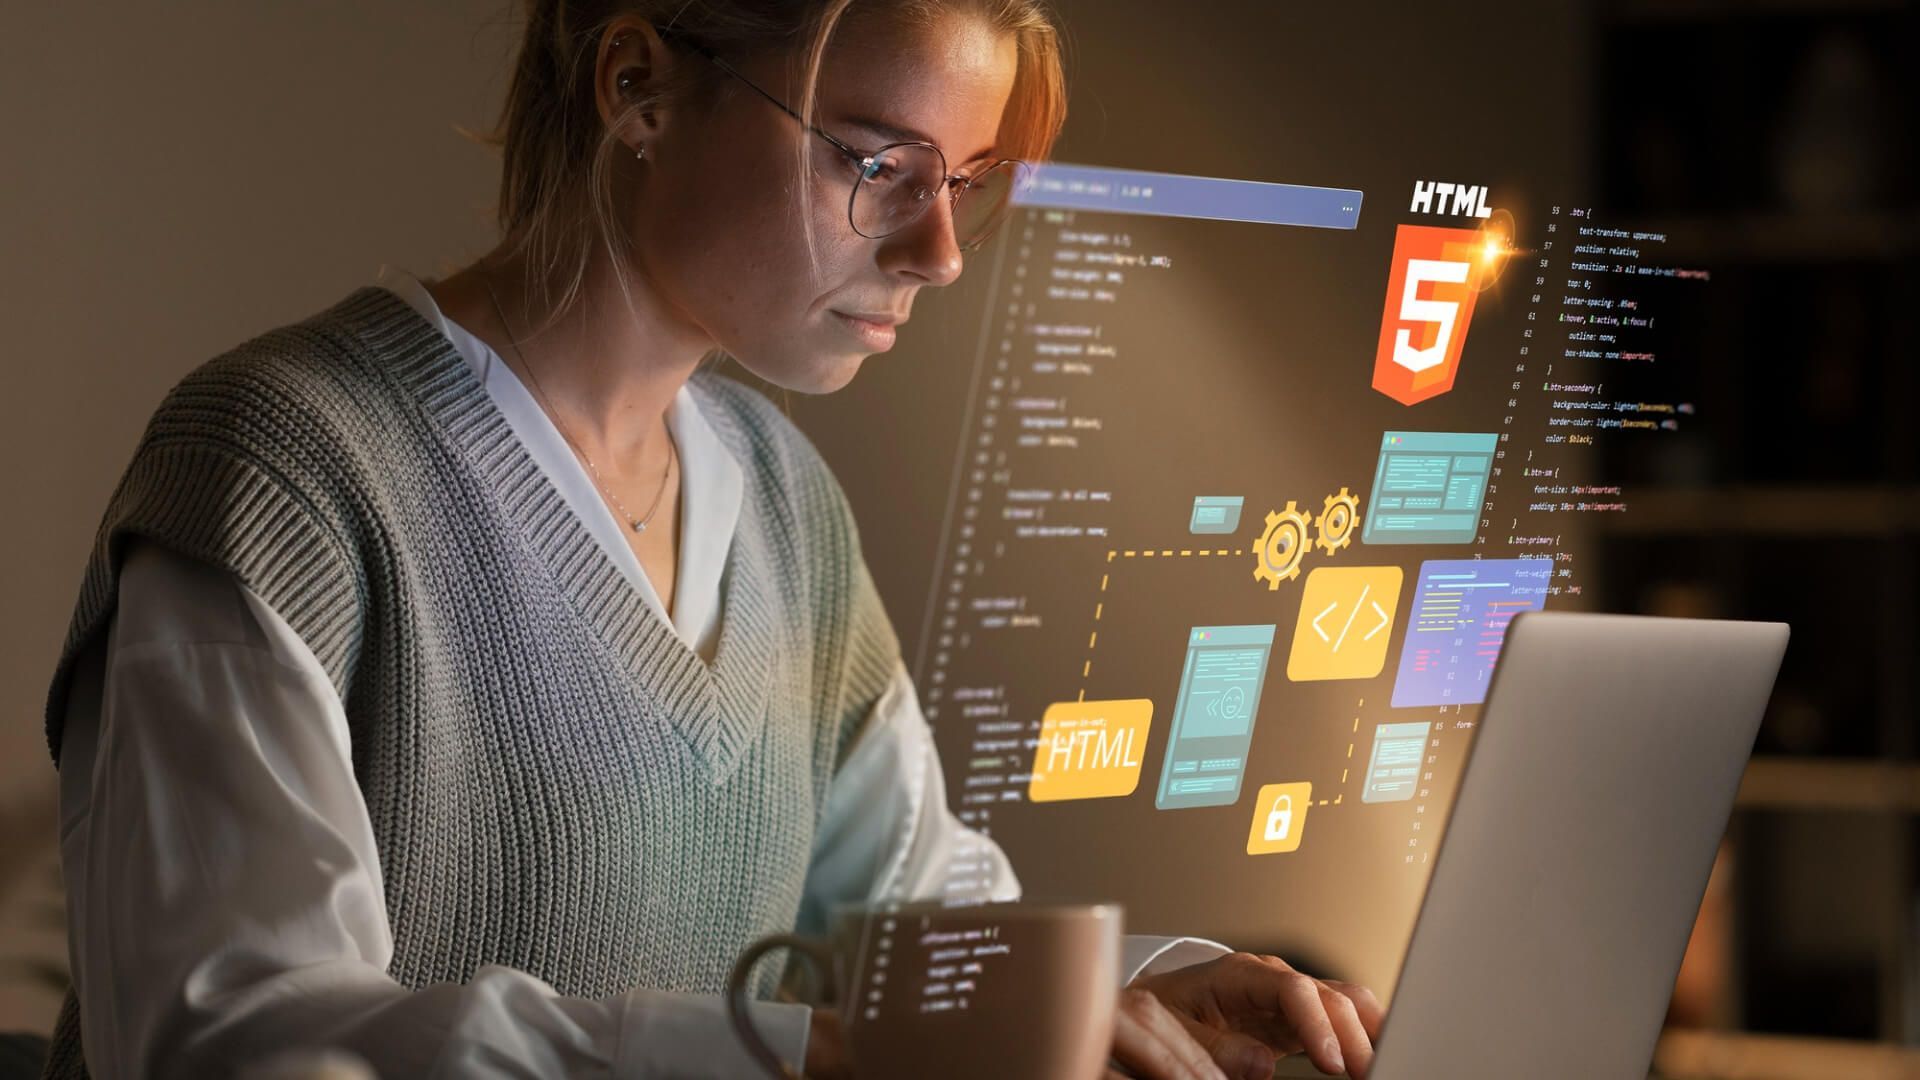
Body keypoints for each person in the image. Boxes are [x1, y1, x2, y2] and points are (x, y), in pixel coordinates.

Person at [42, 2, 1382, 1077]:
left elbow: (913, 925)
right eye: (878, 164)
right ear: (639, 86)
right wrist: (801, 1057)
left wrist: (1146, 996)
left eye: (961, 184)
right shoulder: (283, 468)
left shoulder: (783, 502)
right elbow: (229, 1036)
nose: (940, 252)